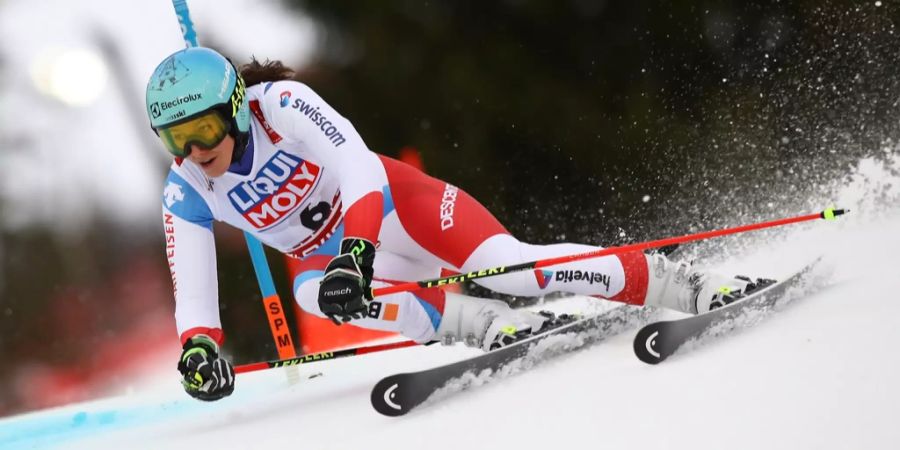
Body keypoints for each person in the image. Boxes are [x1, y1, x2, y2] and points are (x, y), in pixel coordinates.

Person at [147, 47, 751, 402]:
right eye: (176, 137)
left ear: (232, 108)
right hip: (338, 255)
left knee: (514, 272)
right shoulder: (186, 188)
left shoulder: (280, 105)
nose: (196, 149)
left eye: (202, 128)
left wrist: (355, 250)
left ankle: (674, 282)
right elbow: (193, 282)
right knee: (313, 293)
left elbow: (358, 166)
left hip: (394, 209)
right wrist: (199, 346)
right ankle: (481, 325)